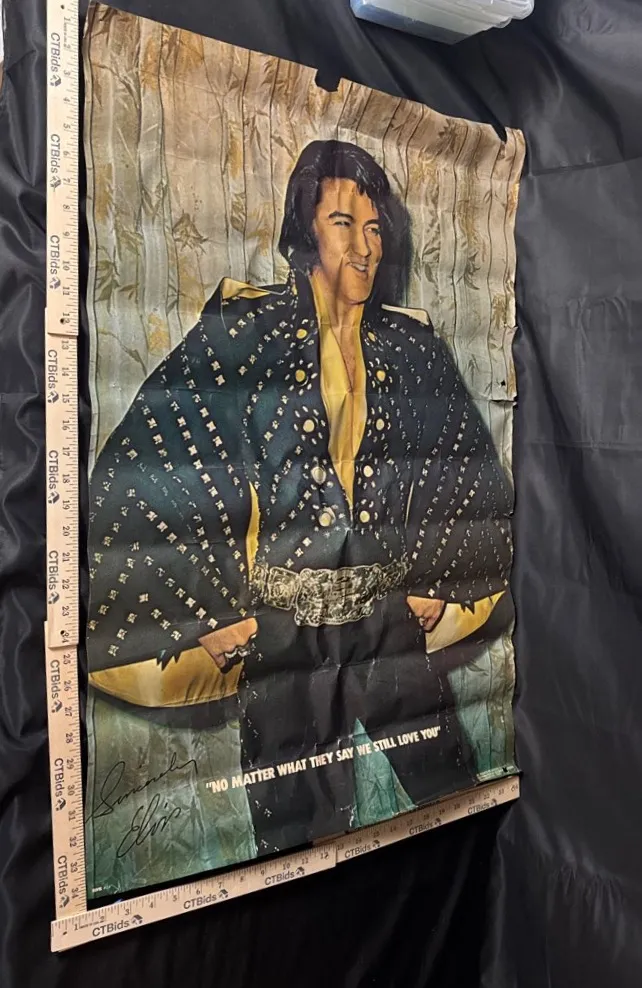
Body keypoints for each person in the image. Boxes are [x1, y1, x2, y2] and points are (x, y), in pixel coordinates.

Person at [87, 140, 513, 854]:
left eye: (374, 228)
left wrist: (440, 574)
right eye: (344, 224)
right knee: (295, 839)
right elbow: (157, 456)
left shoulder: (410, 347)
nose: (365, 247)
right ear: (305, 231)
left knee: (449, 800)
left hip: (387, 622)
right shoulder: (243, 334)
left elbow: (459, 460)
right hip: (282, 633)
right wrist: (208, 606)